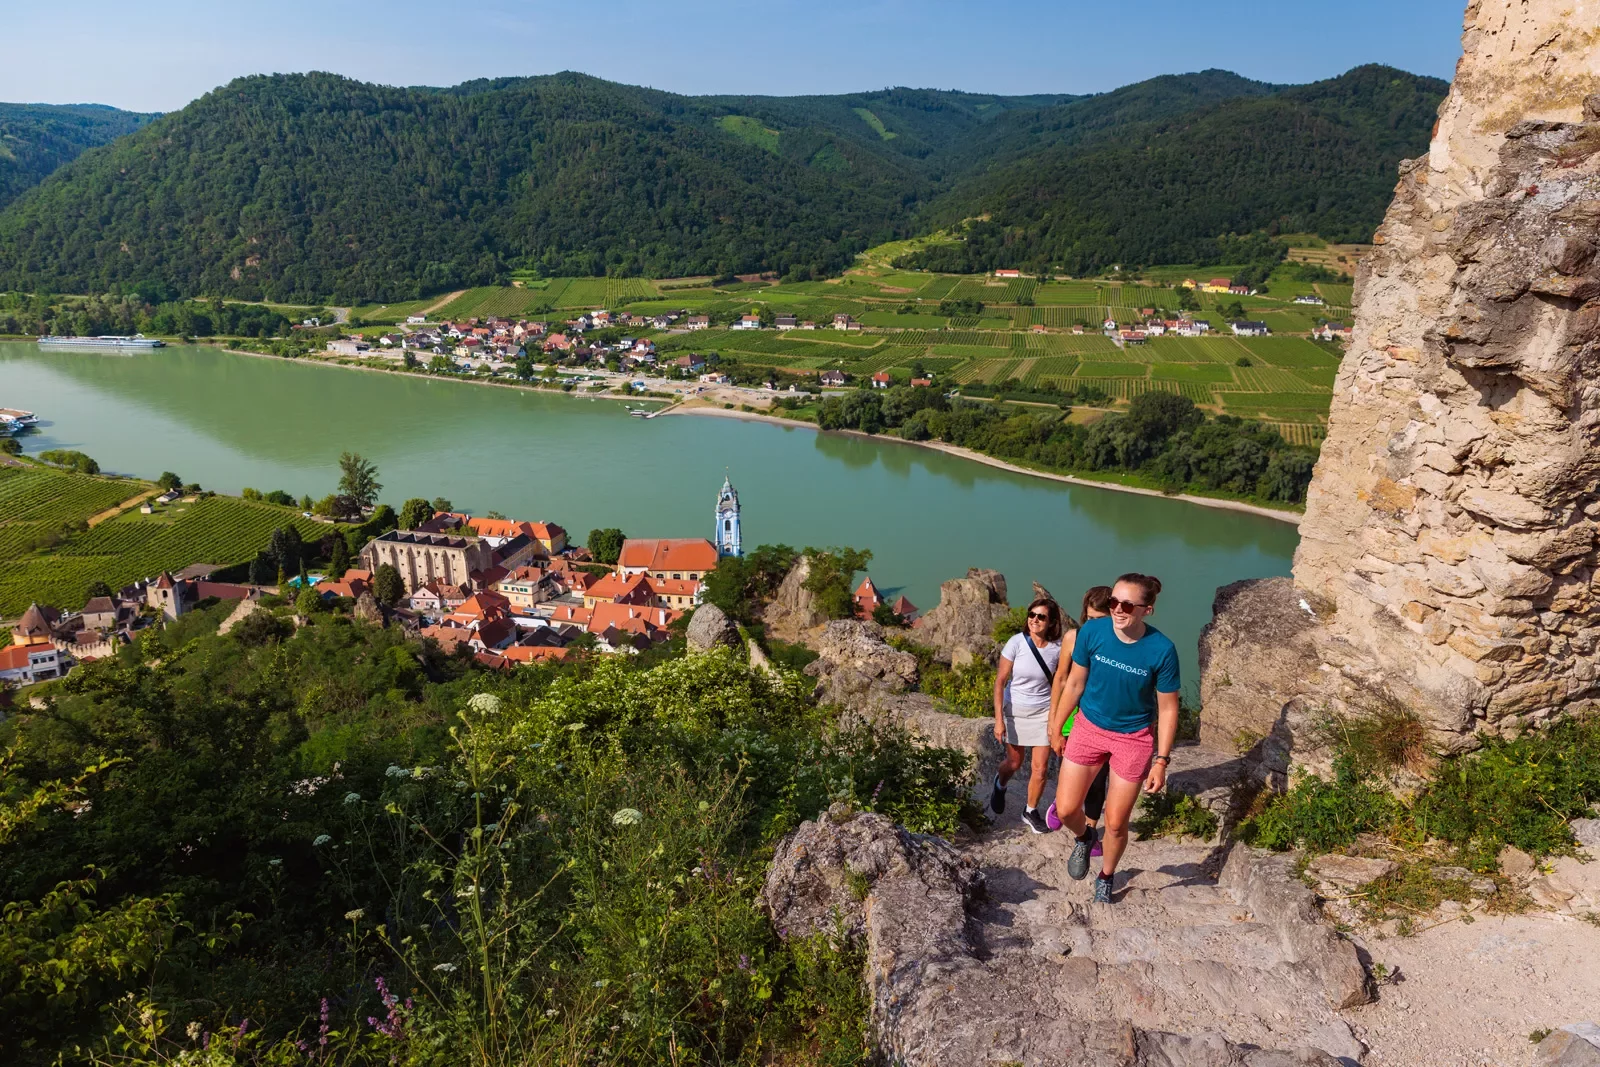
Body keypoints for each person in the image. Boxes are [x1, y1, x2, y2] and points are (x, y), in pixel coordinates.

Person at [1048, 573, 1180, 904]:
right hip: (1088, 727)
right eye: (1113, 602)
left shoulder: (1161, 650)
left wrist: (1161, 761)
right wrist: (1056, 725)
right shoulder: (1092, 632)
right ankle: (1084, 836)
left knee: (1118, 823)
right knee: (1065, 810)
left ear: (1146, 609)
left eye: (1126, 605)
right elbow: (1075, 683)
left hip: (1133, 739)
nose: (1117, 610)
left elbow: (1167, 709)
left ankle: (1106, 876)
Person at [1045, 587, 1113, 855]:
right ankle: (1062, 802)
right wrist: (1054, 722)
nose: (1094, 624)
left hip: (1104, 719)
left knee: (1098, 779)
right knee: (1072, 771)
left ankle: (1090, 833)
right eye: (1090, 617)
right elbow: (1061, 679)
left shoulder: (1120, 642)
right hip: (1073, 717)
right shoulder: (1073, 638)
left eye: (1101, 618)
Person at [989, 597, 1065, 833]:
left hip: (1043, 712)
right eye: (1031, 615)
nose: (1034, 620)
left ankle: (1030, 810)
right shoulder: (1016, 643)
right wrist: (999, 720)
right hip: (1016, 710)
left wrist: (1056, 720)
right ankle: (1000, 784)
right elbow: (1000, 682)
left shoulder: (1058, 649)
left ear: (1051, 622)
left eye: (1041, 616)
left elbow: (1061, 683)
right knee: (1014, 762)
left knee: (1040, 768)